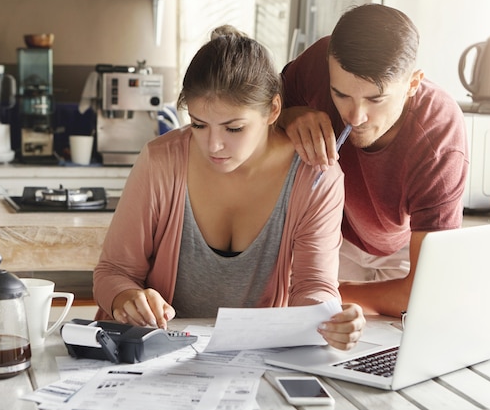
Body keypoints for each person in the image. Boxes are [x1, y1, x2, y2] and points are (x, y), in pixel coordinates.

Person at [93, 25, 365, 350]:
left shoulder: (315, 177)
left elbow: (314, 284)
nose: (214, 146)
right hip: (153, 355)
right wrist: (127, 297)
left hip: (253, 356)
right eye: (198, 125)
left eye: (233, 128)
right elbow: (112, 272)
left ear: (273, 111)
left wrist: (328, 320)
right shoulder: (161, 161)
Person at [278, 4, 469, 317]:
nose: (354, 116)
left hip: (403, 254)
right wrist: (288, 116)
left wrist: (324, 292)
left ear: (412, 84)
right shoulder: (318, 62)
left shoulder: (440, 136)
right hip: (330, 235)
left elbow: (425, 291)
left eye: (375, 99)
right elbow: (257, 114)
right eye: (340, 95)